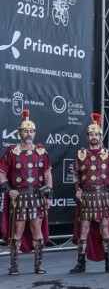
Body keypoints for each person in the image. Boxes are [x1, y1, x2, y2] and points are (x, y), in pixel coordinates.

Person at [0, 110, 52, 275]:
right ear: (19, 132)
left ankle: (38, 265)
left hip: (36, 196)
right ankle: (14, 265)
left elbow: (47, 175)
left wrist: (49, 195)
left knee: (37, 229)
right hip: (19, 196)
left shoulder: (41, 152)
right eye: (25, 130)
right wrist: (9, 190)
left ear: (34, 133)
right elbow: (1, 173)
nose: (28, 133)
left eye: (31, 131)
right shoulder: (11, 152)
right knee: (18, 230)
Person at [69, 113, 109, 274]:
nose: (94, 136)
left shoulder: (108, 154)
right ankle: (80, 264)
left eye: (96, 134)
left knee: (105, 230)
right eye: (91, 134)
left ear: (100, 135)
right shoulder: (80, 153)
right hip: (86, 196)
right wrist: (77, 189)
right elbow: (76, 176)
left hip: (103, 196)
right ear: (88, 136)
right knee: (84, 229)